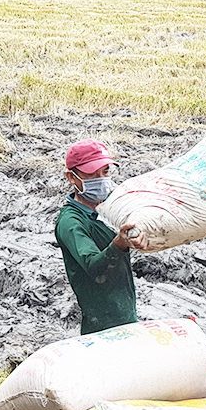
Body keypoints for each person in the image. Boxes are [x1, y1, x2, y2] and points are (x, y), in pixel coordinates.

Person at [55, 139, 149, 335]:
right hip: (102, 323)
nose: (101, 179)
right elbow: (94, 266)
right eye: (91, 174)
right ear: (72, 177)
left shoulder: (105, 207)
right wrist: (119, 244)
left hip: (124, 310)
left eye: (105, 172)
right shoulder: (71, 223)